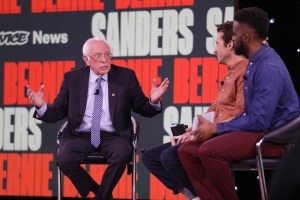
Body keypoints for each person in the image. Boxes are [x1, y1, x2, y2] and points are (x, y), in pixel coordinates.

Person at [178, 7, 300, 200]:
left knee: (210, 151)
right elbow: (250, 116)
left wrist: (217, 128)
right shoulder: (254, 61)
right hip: (258, 130)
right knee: (187, 151)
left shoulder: (268, 67)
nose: (231, 40)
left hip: (273, 137)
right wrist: (212, 128)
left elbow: (259, 121)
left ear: (246, 37)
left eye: (234, 34)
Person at [26, 37, 169, 200]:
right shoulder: (72, 78)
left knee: (121, 154)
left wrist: (153, 101)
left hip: (114, 135)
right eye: (98, 55)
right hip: (80, 135)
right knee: (64, 159)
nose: (104, 60)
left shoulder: (125, 76)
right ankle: (101, 194)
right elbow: (58, 112)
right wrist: (41, 106)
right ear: (86, 59)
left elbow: (143, 108)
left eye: (107, 55)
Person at [142, 21, 248, 200]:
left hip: (224, 136)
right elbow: (214, 110)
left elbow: (240, 114)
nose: (214, 49)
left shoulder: (245, 71)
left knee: (169, 157)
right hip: (212, 133)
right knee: (151, 157)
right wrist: (191, 132)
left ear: (230, 45)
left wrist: (204, 132)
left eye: (217, 43)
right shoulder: (230, 72)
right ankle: (197, 197)